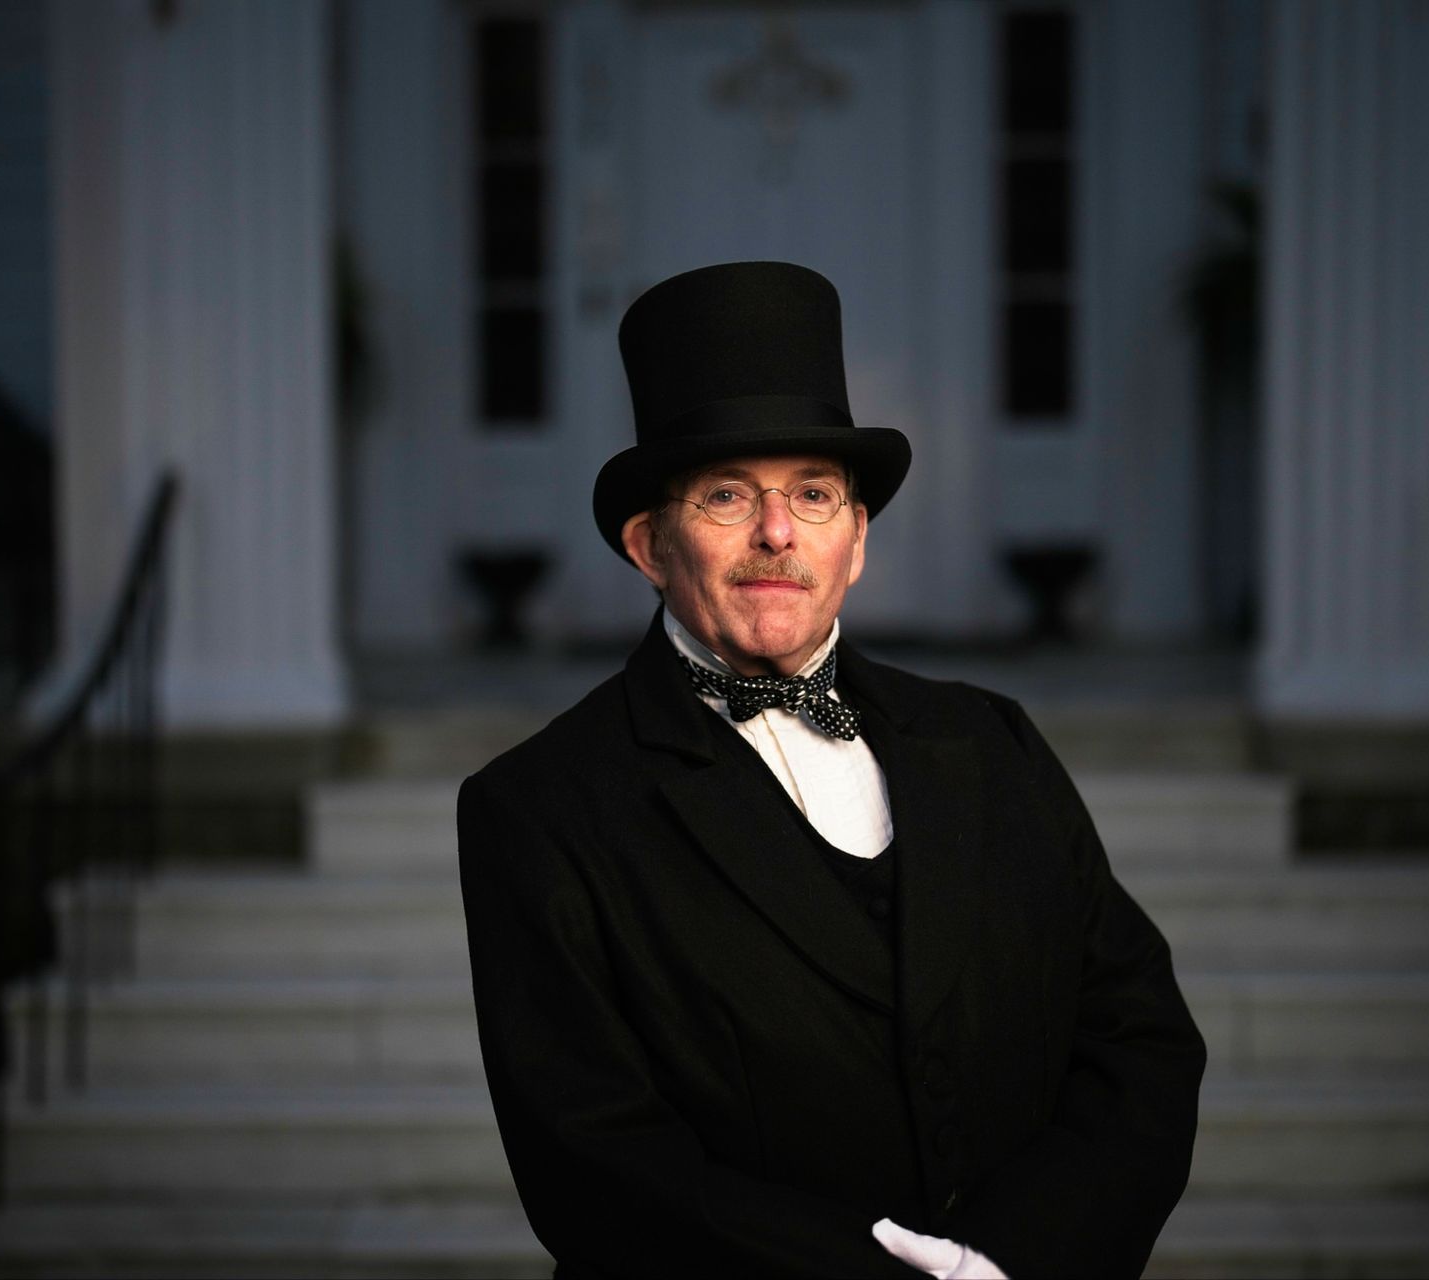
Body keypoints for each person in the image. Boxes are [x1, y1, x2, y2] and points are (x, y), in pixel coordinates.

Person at [457, 261, 1204, 1279]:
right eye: (728, 495)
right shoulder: (540, 809)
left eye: (813, 492)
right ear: (650, 543)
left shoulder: (994, 743)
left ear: (855, 538)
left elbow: (1140, 1043)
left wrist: (1014, 1261)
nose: (778, 532)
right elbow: (597, 1164)